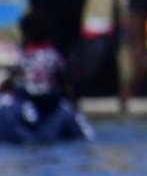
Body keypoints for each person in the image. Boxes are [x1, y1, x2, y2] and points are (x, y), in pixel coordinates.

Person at [0, 9, 93, 143]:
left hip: (29, 98)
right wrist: (73, 103)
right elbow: (64, 81)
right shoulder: (53, 55)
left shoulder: (26, 56)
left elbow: (12, 78)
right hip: (50, 99)